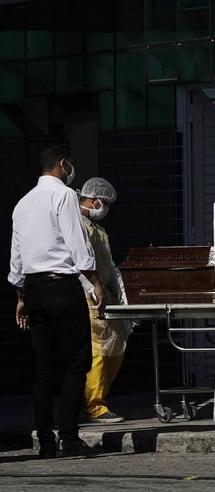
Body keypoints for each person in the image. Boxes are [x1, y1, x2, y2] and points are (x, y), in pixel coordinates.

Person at [8, 144, 106, 459]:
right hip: (62, 287)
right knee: (77, 362)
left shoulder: (22, 204)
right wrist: (95, 282)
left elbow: (17, 256)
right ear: (63, 164)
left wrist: (21, 296)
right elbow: (76, 244)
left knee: (43, 368)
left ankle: (46, 444)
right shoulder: (63, 196)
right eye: (70, 165)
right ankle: (69, 438)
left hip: (34, 290)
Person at [78, 177, 132, 424]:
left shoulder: (98, 229)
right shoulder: (79, 226)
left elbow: (107, 264)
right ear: (92, 199)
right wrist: (93, 289)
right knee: (98, 351)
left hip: (104, 294)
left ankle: (101, 398)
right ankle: (94, 404)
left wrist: (117, 292)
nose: (105, 207)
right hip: (89, 295)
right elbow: (81, 262)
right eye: (104, 202)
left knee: (115, 347)